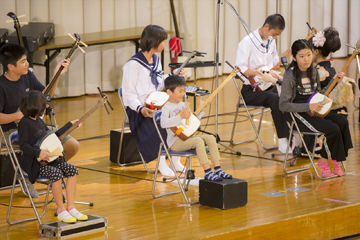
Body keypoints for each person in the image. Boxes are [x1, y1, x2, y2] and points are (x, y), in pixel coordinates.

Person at [0, 43, 80, 197]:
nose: (27, 64)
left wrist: (57, 74)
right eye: (23, 61)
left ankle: (45, 172)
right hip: (13, 130)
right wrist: (17, 116)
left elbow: (43, 96)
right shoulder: (1, 86)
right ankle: (29, 173)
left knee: (72, 146)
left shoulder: (27, 76)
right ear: (10, 66)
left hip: (37, 127)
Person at [279, 39, 353, 178]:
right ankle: (324, 162)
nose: (306, 59)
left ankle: (336, 159)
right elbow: (283, 105)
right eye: (301, 56)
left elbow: (319, 94)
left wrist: (334, 81)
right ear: (294, 57)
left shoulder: (313, 71)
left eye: (309, 54)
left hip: (314, 110)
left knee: (342, 122)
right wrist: (308, 106)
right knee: (332, 129)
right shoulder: (290, 76)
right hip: (298, 114)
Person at [122, 25, 185, 177]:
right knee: (161, 123)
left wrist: (172, 76)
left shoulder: (156, 60)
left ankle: (176, 160)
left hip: (156, 104)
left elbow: (159, 83)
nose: (165, 45)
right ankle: (161, 163)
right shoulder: (133, 65)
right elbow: (128, 94)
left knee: (179, 117)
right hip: (140, 110)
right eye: (163, 41)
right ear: (155, 42)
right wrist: (140, 109)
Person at [18, 90, 87, 223]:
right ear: (37, 107)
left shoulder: (39, 121)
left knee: (72, 170)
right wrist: (38, 153)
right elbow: (23, 146)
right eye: (44, 105)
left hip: (48, 161)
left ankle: (71, 207)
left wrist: (70, 125)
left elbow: (53, 137)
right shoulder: (24, 123)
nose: (46, 107)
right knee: (56, 174)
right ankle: (61, 210)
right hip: (34, 164)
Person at [235, 13, 291, 153]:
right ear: (266, 27)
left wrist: (288, 53)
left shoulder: (270, 41)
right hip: (251, 90)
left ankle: (293, 137)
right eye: (274, 33)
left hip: (267, 86)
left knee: (287, 95)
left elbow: (272, 64)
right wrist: (259, 72)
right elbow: (239, 68)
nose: (275, 37)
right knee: (277, 99)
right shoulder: (246, 42)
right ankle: (283, 141)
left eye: (278, 35)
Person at [160, 75, 232, 181]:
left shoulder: (182, 104)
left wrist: (201, 109)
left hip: (187, 138)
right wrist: (180, 116)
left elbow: (191, 122)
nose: (183, 94)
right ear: (169, 92)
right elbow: (163, 123)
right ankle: (207, 172)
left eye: (183, 91)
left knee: (211, 138)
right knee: (198, 141)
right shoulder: (167, 107)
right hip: (175, 143)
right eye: (180, 91)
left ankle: (218, 169)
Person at [309, 27, 348, 115]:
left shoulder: (317, 72)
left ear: (316, 52)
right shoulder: (332, 70)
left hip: (320, 111)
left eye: (310, 51)